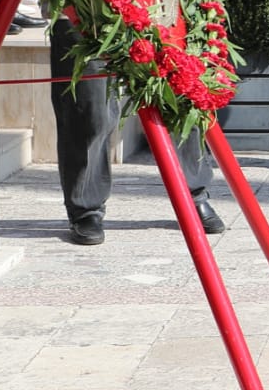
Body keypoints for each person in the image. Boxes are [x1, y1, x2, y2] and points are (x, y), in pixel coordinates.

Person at [49, 19, 225, 244]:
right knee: (90, 110)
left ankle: (194, 193)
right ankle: (85, 209)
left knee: (178, 94)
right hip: (83, 6)